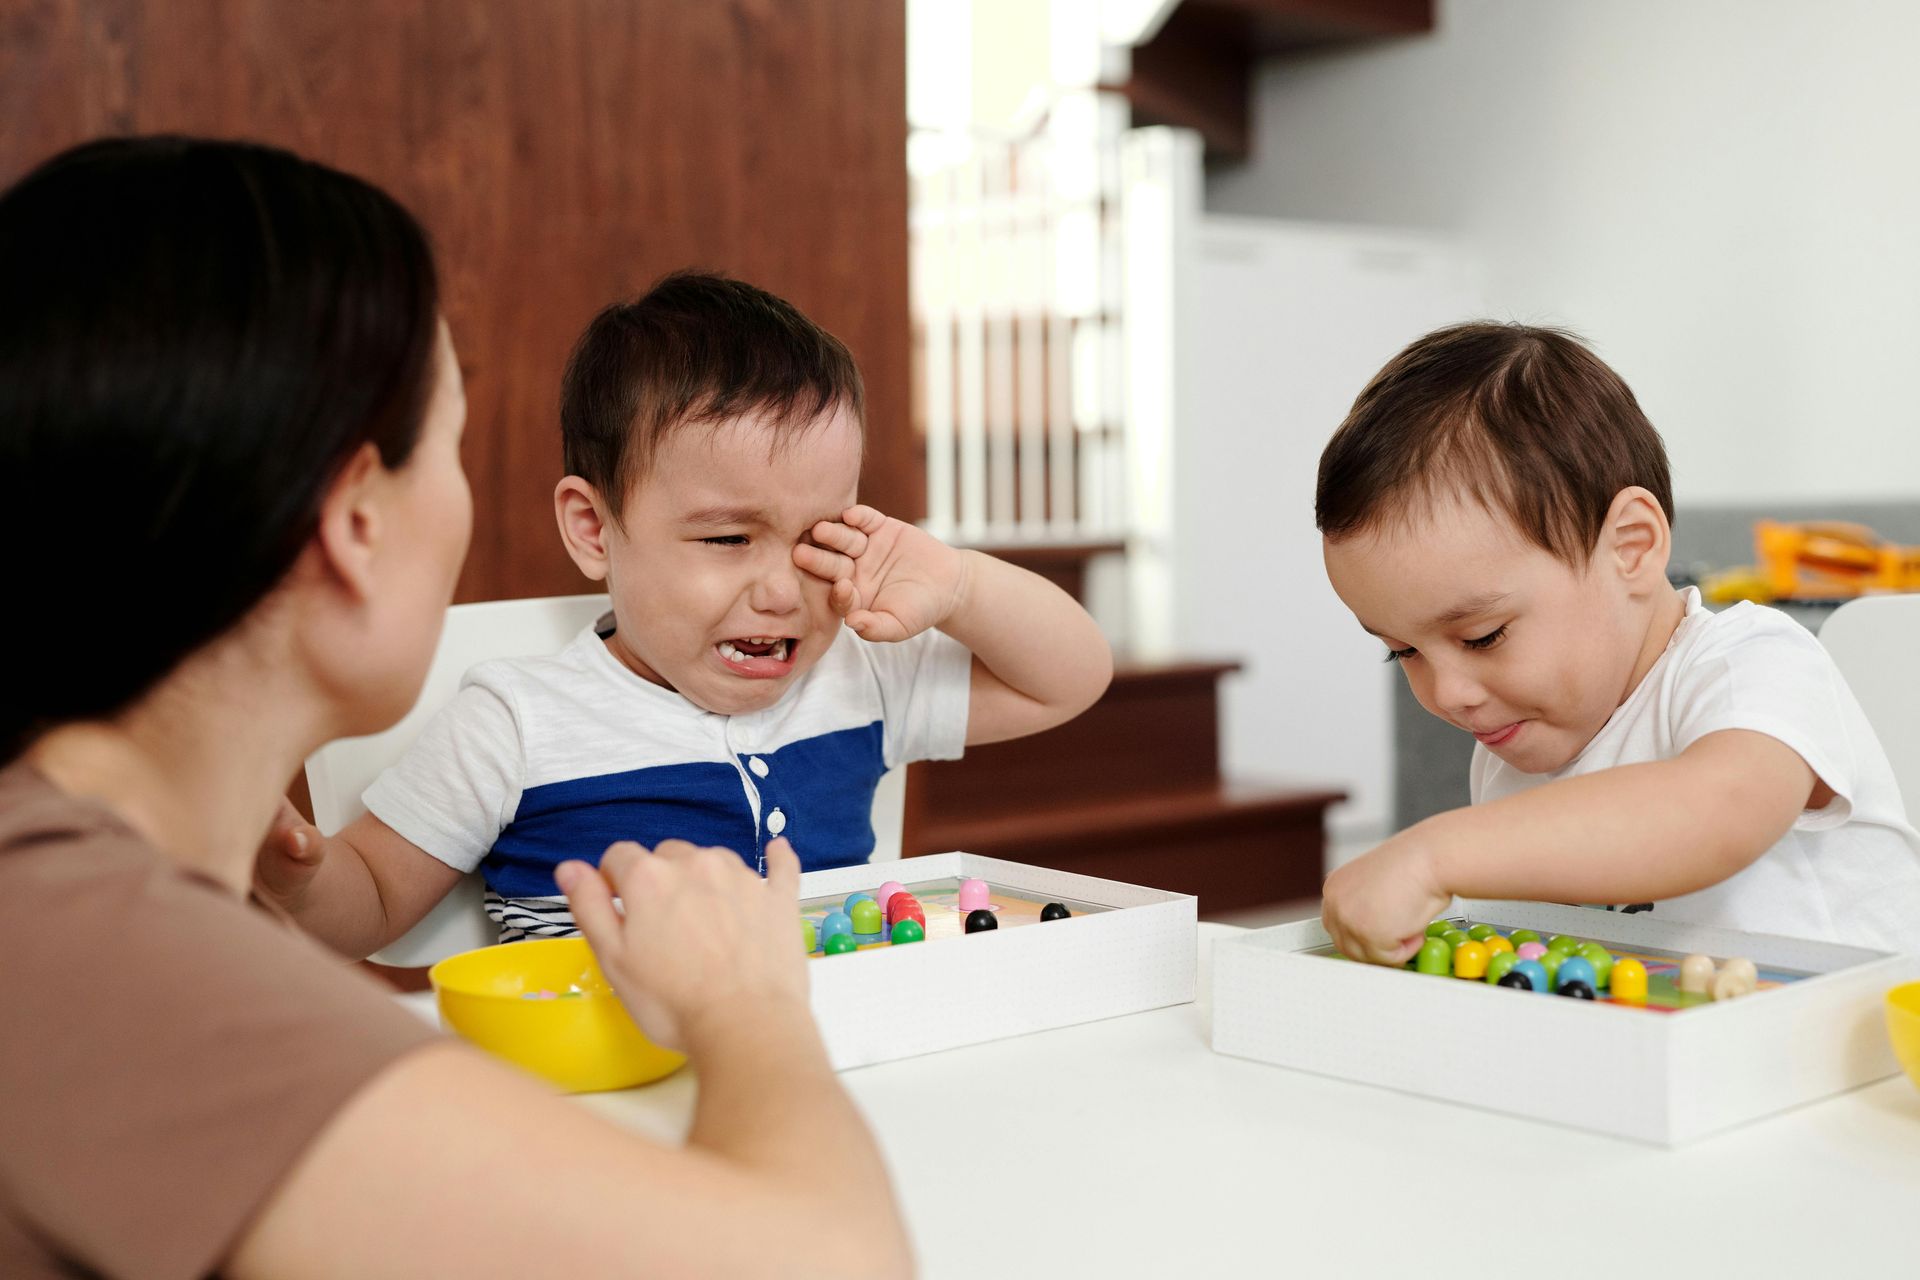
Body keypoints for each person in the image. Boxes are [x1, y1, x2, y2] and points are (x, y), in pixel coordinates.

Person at [0, 135, 912, 1278]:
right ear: (356, 523)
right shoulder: (112, 965)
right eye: (452, 442)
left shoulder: (66, 886)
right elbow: (832, 1260)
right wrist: (750, 1007)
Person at [257, 271, 1113, 951]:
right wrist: (296, 872)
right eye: (729, 540)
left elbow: (1069, 680)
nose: (783, 589)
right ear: (594, 530)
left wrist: (959, 584)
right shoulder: (518, 724)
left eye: (820, 536)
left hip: (828, 1065)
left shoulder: (861, 679)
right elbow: (368, 901)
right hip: (596, 1098)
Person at [1314, 321, 1920, 963]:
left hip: (1856, 1053)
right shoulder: (1513, 753)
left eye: (1482, 636)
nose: (1447, 693)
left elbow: (1716, 812)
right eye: (1403, 651)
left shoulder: (1752, 663)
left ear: (1630, 548)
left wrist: (1434, 854)